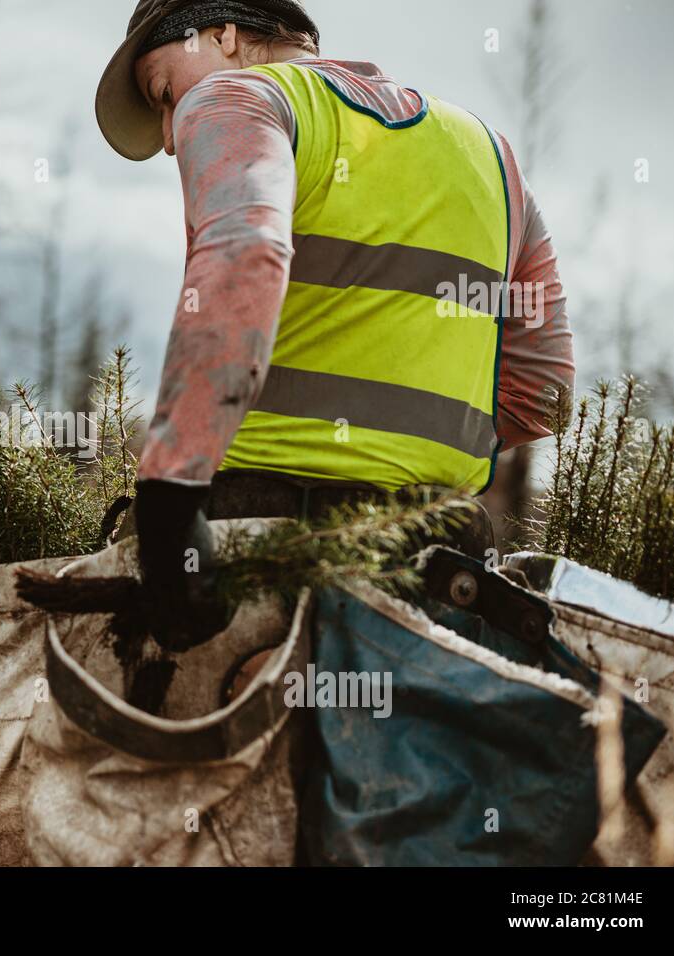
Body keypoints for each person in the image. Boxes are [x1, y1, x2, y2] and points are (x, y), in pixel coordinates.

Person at [95, 0, 574, 650]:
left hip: (256, 550)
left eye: (162, 92)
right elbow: (545, 392)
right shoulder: (494, 157)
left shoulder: (238, 99)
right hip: (444, 573)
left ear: (224, 32)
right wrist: (408, 456)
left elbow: (246, 257)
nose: (172, 131)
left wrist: (169, 504)